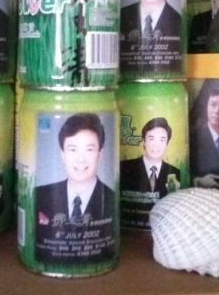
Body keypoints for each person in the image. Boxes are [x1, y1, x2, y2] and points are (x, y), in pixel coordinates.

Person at [34, 113, 116, 263]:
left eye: (89, 150)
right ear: (62, 155)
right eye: (73, 149)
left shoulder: (112, 199)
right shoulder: (40, 195)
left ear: (100, 154)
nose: (81, 159)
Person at [120, 117, 181, 197]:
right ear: (143, 141)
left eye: (161, 140)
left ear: (167, 143)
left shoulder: (174, 172)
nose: (156, 145)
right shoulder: (125, 167)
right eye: (151, 139)